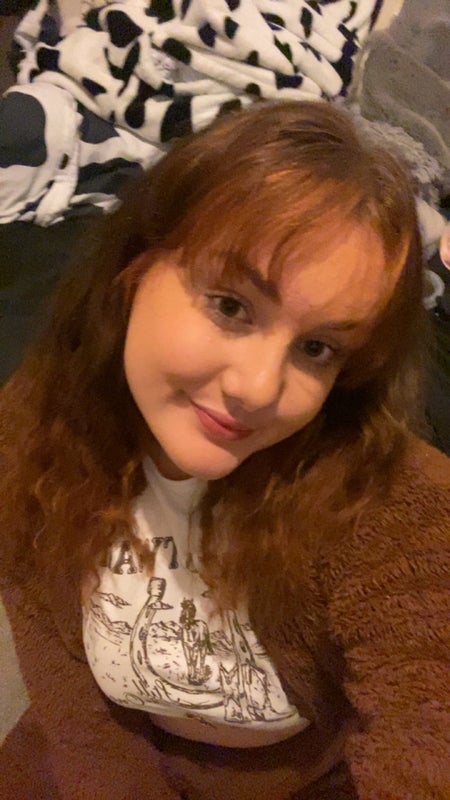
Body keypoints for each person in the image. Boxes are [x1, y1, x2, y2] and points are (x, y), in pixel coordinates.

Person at [0, 101, 449, 800]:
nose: (258, 389)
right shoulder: (34, 424)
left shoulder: (398, 504)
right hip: (111, 749)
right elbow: (60, 667)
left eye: (317, 348)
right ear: (134, 269)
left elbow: (427, 729)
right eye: (232, 306)